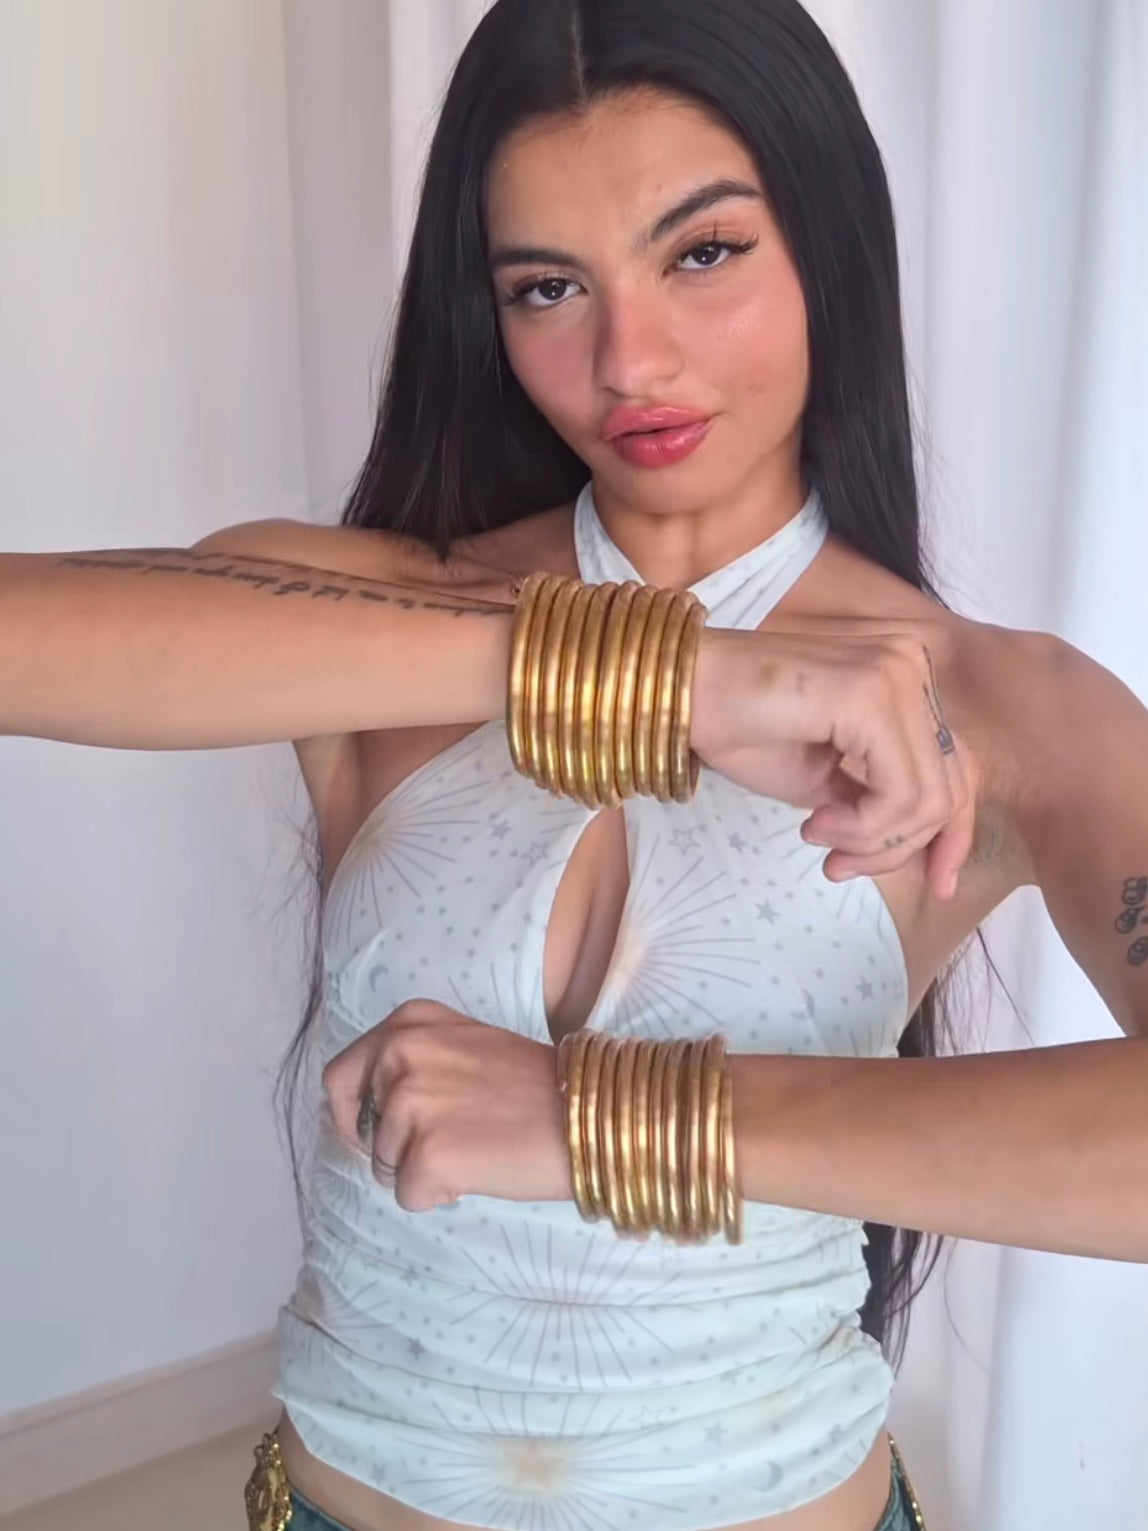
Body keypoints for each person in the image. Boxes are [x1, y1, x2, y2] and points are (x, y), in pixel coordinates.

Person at [2, 1, 1146, 1528]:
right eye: (549, 286)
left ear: (829, 246)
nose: (630, 358)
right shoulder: (375, 615)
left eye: (703, 252)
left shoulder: (999, 707)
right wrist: (663, 671)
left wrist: (592, 1120)